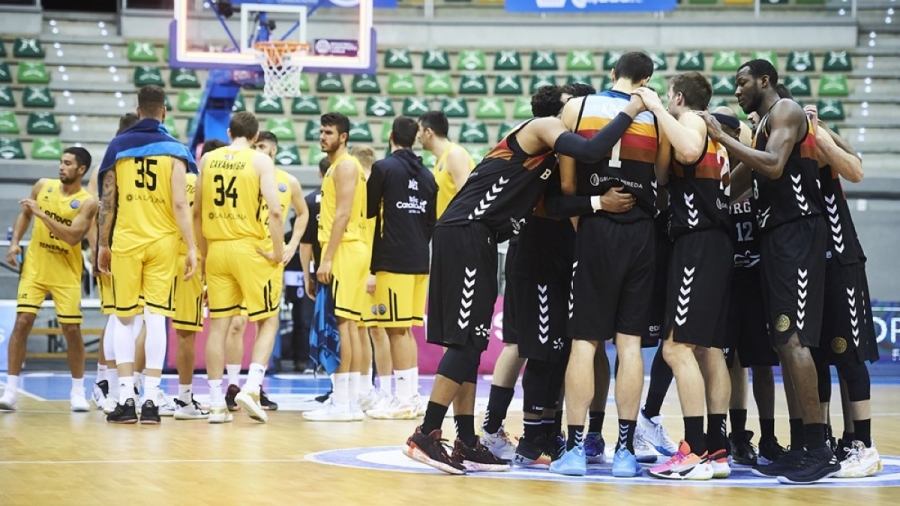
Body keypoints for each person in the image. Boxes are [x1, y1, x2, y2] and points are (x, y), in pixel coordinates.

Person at [403, 84, 647, 475]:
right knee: (466, 343)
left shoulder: (551, 156)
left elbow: (553, 203)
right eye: (577, 109)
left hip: (481, 237)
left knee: (474, 342)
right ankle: (427, 433)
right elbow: (589, 149)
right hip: (467, 229)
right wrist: (632, 109)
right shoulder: (542, 127)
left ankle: (466, 438)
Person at [701, 59, 839, 484]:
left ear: (764, 81)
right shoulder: (761, 127)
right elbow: (734, 185)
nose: (737, 89)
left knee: (795, 340)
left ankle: (819, 449)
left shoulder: (786, 112)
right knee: (783, 342)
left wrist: (722, 137)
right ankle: (800, 445)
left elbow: (774, 165)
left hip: (797, 232)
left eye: (742, 82)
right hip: (775, 238)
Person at [553, 52, 669, 478]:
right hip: (641, 232)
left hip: (595, 228)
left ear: (611, 73)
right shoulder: (657, 117)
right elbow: (660, 179)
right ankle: (624, 452)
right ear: (648, 79)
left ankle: (576, 450)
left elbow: (567, 186)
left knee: (584, 342)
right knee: (630, 344)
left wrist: (589, 220)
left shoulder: (577, 107)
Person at [633, 73, 733, 480]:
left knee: (676, 350)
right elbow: (663, 177)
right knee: (709, 350)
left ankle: (692, 452)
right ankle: (718, 449)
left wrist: (656, 109)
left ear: (677, 96)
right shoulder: (714, 127)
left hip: (697, 242)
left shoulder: (691, 121)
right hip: (717, 242)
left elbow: (689, 151)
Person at [97, 85, 197, 425]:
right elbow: (182, 203)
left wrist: (101, 244)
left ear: (138, 111)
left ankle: (126, 397)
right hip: (164, 243)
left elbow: (107, 203)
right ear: (164, 112)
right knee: (156, 318)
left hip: (127, 239)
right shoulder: (175, 149)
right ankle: (152, 399)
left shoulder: (118, 146)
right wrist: (193, 247)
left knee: (125, 318)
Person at [706, 107, 787, 467]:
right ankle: (734, 437)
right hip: (724, 281)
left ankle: (768, 436)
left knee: (762, 364)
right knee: (729, 362)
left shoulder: (754, 173)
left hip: (756, 280)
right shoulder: (712, 174)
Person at [804, 105, 881, 478]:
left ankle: (864, 446)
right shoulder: (777, 147)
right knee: (818, 356)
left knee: (847, 356)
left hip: (841, 260)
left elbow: (856, 168)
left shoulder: (813, 141)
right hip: (810, 265)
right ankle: (836, 441)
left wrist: (821, 132)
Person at [194, 112, 284, 424]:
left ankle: (217, 401)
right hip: (249, 247)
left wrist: (204, 257)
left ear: (230, 131)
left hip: (216, 248)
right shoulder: (260, 161)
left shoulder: (208, 159)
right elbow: (274, 210)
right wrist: (278, 251)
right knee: (268, 321)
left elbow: (196, 212)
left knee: (217, 327)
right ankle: (252, 386)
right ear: (256, 136)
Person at [0, 148, 98, 412]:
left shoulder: (88, 202)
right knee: (22, 323)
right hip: (35, 267)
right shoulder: (43, 186)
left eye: (68, 163)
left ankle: (77, 391)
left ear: (81, 170)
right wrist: (14, 243)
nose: (61, 167)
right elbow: (25, 214)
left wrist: (42, 214)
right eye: (60, 162)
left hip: (65, 271)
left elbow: (72, 237)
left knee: (72, 330)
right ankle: (10, 390)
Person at [222, 131, 308, 413]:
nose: (256, 150)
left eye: (261, 147)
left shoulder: (288, 181)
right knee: (235, 323)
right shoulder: (244, 173)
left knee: (265, 323)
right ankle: (233, 385)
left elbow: (303, 213)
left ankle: (255, 386)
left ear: (273, 151)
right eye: (254, 145)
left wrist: (292, 245)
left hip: (269, 260)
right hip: (243, 253)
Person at [363, 117, 437, 420]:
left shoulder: (383, 169)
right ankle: (408, 396)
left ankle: (405, 398)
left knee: (395, 330)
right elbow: (431, 219)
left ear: (391, 136)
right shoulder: (428, 174)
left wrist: (371, 266)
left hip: (392, 260)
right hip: (420, 258)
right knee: (403, 330)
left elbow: (369, 214)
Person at [302, 113, 370, 422]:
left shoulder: (343, 166)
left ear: (343, 137)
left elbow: (342, 214)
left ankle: (343, 402)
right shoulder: (340, 166)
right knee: (350, 325)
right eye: (321, 131)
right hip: (351, 250)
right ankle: (349, 400)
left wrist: (326, 258)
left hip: (343, 251)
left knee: (342, 325)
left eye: (328, 132)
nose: (322, 136)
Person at [86, 113, 140, 413]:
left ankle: (120, 382)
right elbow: (98, 211)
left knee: (131, 317)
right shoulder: (108, 165)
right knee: (117, 316)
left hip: (130, 246)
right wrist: (97, 251)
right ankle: (102, 383)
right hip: (112, 249)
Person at [170, 139, 227, 421]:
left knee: (147, 323)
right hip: (190, 260)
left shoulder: (178, 177)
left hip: (158, 253)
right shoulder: (211, 185)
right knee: (185, 332)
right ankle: (183, 399)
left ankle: (139, 392)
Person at [350, 144, 383, 413]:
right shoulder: (374, 183)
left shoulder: (366, 185)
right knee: (366, 328)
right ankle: (366, 389)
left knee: (373, 329)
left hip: (369, 265)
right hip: (371, 262)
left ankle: (372, 390)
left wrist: (372, 270)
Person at [419, 111, 475, 219]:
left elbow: (467, 200)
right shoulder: (439, 160)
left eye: (419, 130)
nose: (418, 136)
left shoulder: (455, 154)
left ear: (428, 132)